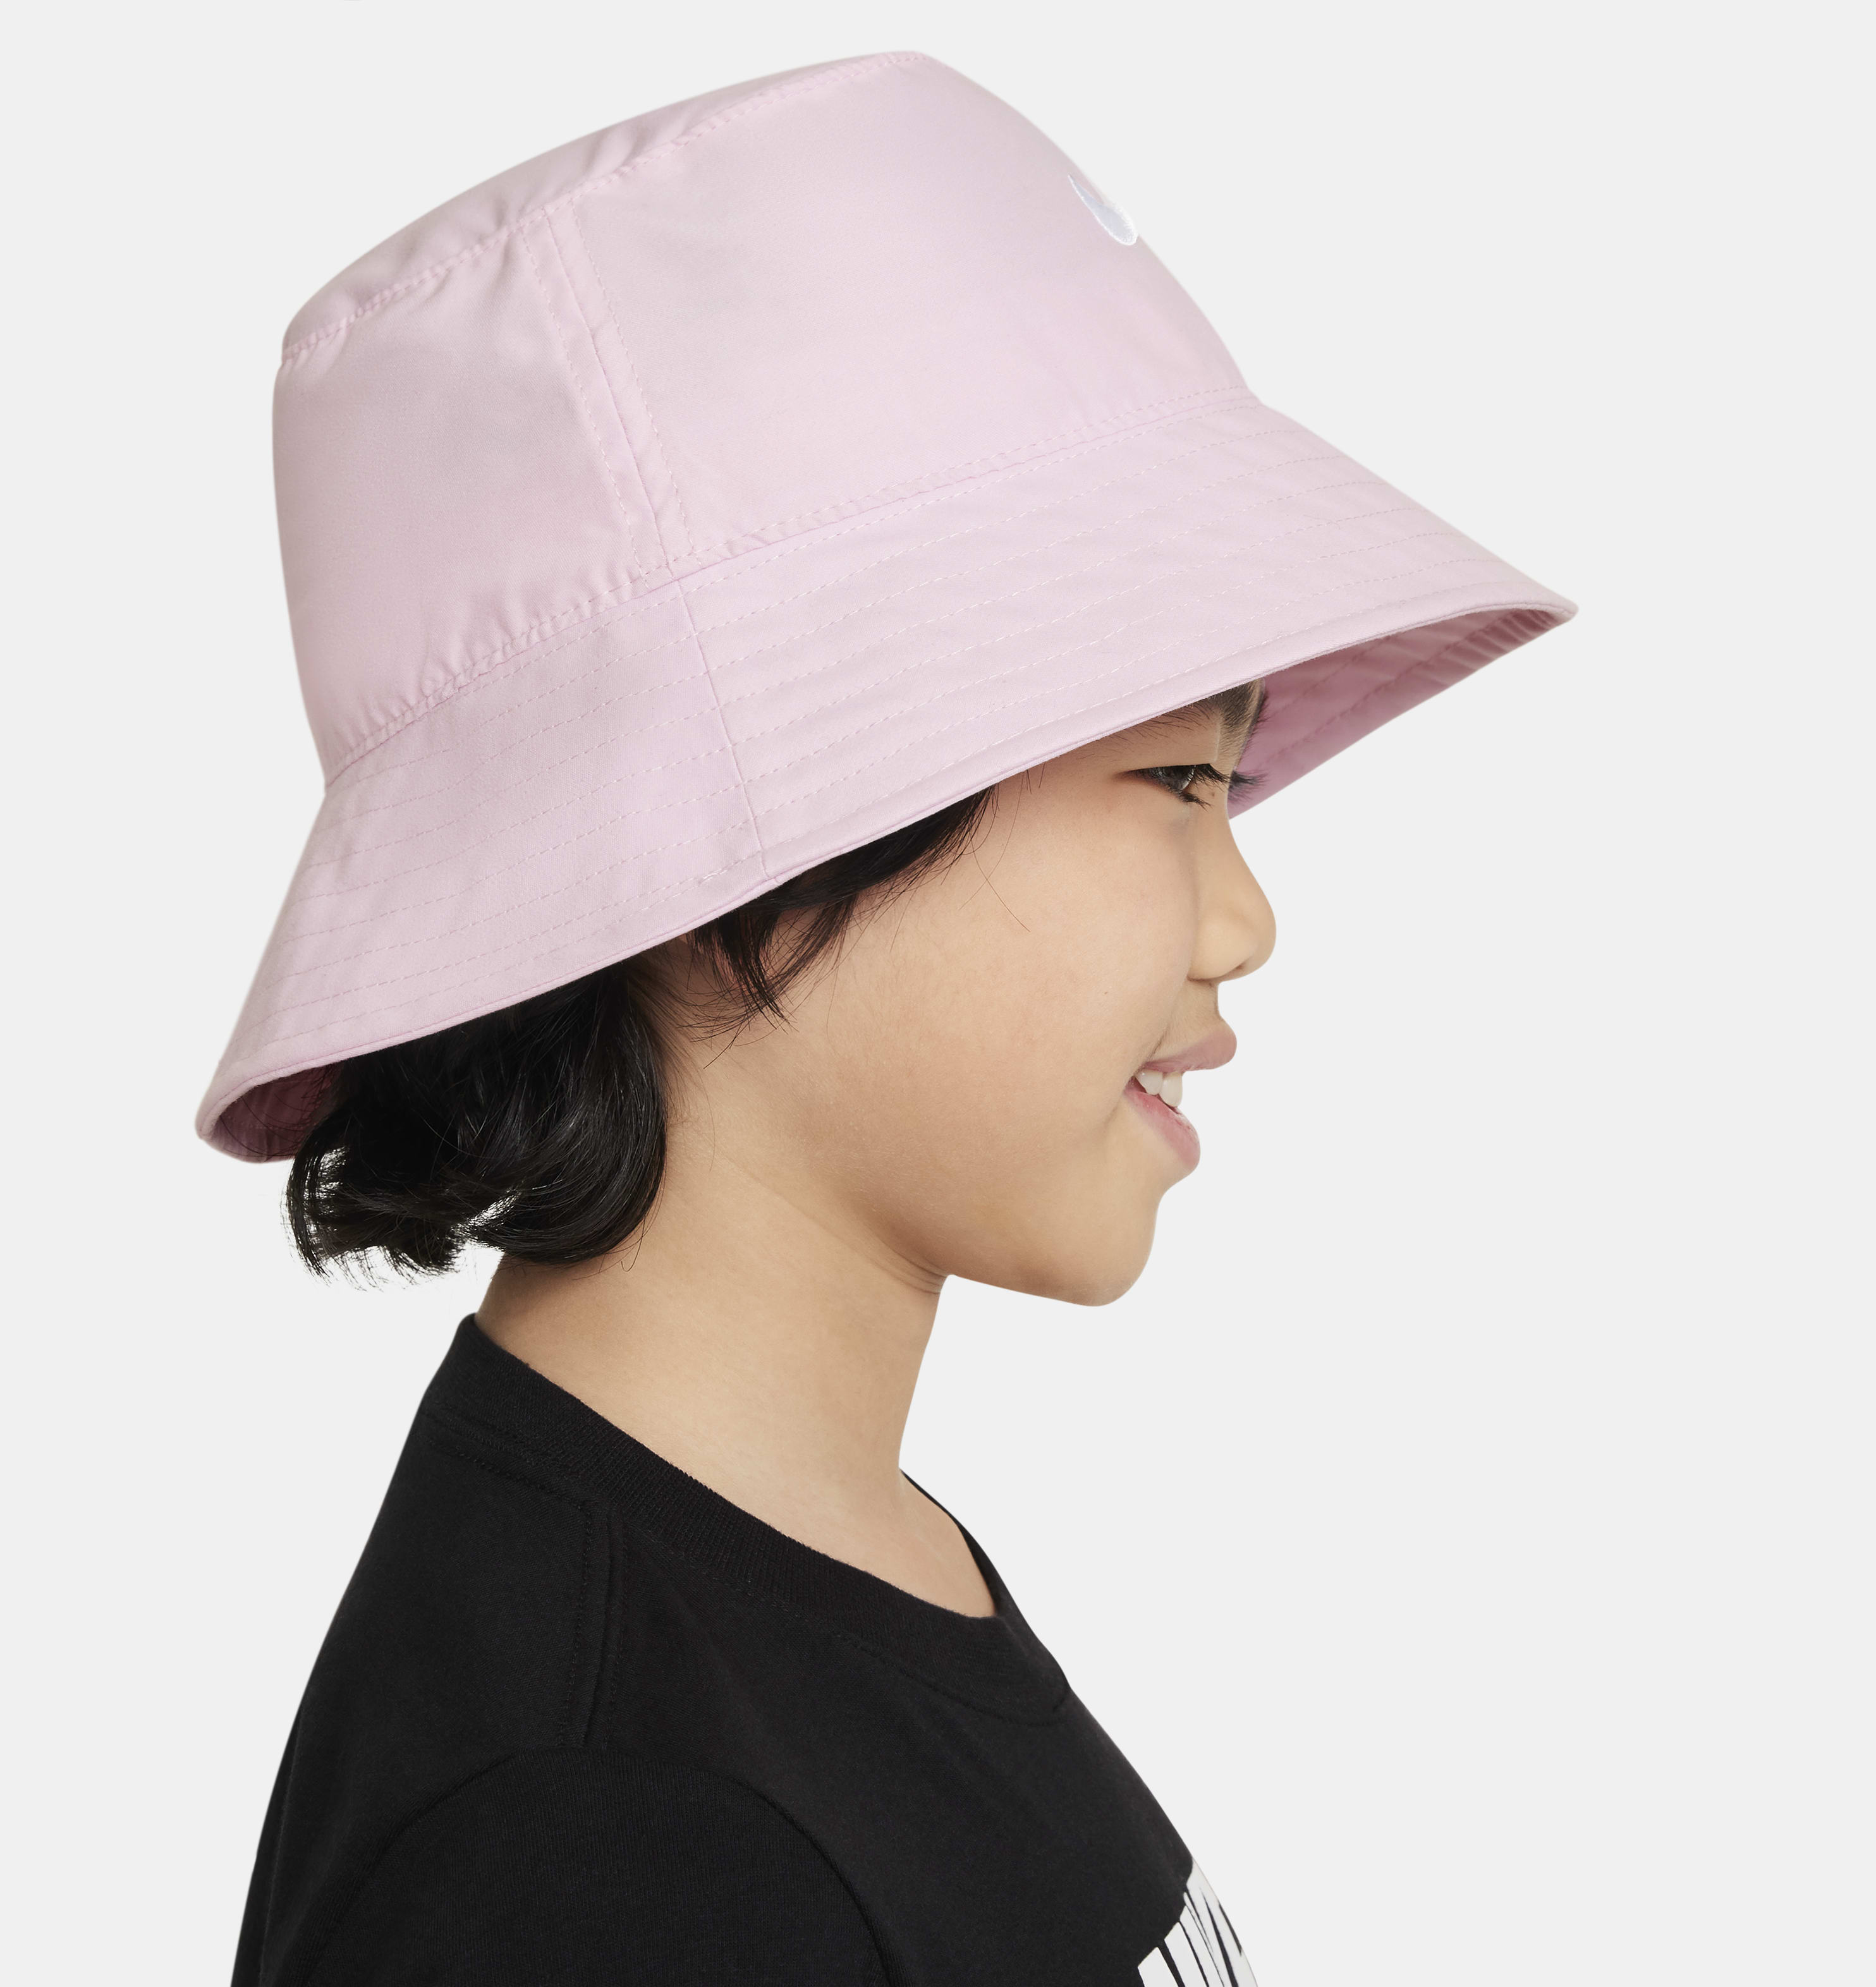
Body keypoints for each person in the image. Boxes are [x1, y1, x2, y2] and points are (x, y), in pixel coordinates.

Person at [203, 52, 1575, 1987]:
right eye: (1178, 782)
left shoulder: (801, 1579)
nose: (1246, 920)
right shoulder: (600, 1848)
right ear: (755, 841)